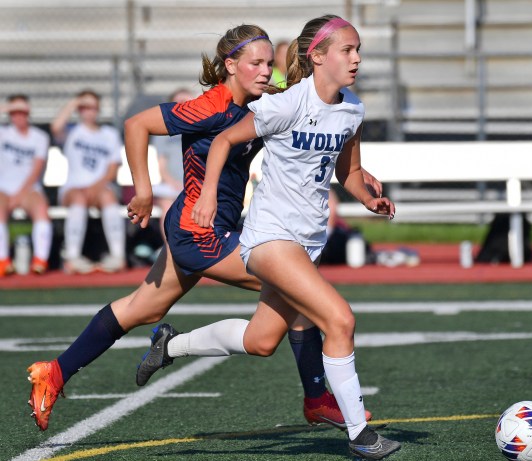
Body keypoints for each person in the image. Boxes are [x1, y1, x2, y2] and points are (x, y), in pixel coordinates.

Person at [26, 23, 377, 435]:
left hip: (218, 228)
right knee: (300, 292)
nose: (267, 72)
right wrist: (142, 190)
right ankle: (317, 399)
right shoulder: (209, 106)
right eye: (256, 64)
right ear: (231, 65)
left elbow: (305, 116)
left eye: (270, 63)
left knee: (144, 308)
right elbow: (136, 125)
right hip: (198, 231)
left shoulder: (261, 105)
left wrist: (354, 170)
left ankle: (55, 371)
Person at [144, 15, 402, 459]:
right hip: (270, 239)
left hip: (308, 241)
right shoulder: (286, 104)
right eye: (347, 50)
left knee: (261, 341)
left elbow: (349, 171)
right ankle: (360, 434)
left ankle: (171, 344)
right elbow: (224, 141)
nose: (356, 59)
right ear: (317, 57)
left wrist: (367, 197)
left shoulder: (352, 109)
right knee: (339, 320)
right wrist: (206, 199)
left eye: (358, 50)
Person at [50, 90, 126, 274]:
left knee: (108, 197)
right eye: (84, 107)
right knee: (78, 198)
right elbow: (55, 126)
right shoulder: (72, 132)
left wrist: (95, 187)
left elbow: (112, 169)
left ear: (98, 110)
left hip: (101, 187)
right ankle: (72, 257)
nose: (89, 111)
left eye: (92, 107)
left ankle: (118, 256)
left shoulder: (109, 134)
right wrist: (75, 101)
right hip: (73, 188)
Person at [0, 94, 53, 276]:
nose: (19, 116)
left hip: (29, 188)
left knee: (41, 210)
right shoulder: (4, 133)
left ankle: (40, 260)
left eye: (22, 112)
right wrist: (6, 108)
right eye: (14, 112)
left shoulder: (39, 137)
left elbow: (36, 169)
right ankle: (3, 261)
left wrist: (19, 195)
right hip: (4, 188)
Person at [151, 88, 193, 238]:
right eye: (180, 102)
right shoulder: (163, 131)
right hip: (171, 184)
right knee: (167, 207)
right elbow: (161, 165)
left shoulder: (201, 129)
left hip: (195, 183)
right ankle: (170, 249)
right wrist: (172, 182)